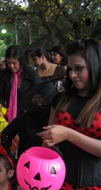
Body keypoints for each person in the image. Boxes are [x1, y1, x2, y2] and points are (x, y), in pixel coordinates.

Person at [37, 39, 101, 189]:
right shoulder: (61, 99)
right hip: (59, 182)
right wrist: (38, 170)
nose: (72, 75)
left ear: (95, 66)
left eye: (79, 68)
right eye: (70, 69)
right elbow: (48, 142)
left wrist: (68, 134)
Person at [0, 45, 42, 123]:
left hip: (28, 116)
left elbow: (39, 94)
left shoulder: (31, 73)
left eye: (14, 63)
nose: (11, 66)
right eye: (9, 63)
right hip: (9, 114)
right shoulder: (5, 75)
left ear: (21, 61)